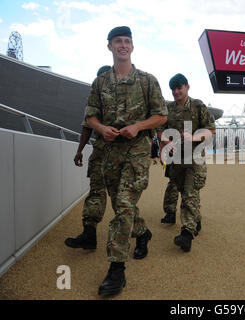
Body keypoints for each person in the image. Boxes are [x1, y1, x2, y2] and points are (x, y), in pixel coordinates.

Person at [84, 26, 167, 296]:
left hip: (137, 152)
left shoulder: (147, 80)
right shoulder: (100, 83)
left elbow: (161, 116)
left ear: (132, 47)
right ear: (109, 46)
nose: (123, 45)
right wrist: (101, 129)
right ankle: (142, 233)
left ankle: (116, 271)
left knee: (122, 206)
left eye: (127, 41)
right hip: (110, 154)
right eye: (118, 41)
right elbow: (91, 117)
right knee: (125, 207)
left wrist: (139, 126)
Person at [158, 73, 215, 252]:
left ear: (187, 87)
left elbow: (211, 130)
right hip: (176, 160)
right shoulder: (167, 109)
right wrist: (165, 144)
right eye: (173, 89)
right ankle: (195, 218)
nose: (176, 91)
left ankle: (187, 234)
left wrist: (195, 136)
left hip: (195, 158)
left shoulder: (198, 106)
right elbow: (160, 130)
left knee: (190, 193)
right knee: (184, 191)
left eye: (179, 87)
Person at [65, 65, 111, 251]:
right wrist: (79, 150)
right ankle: (89, 234)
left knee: (122, 200)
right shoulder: (95, 100)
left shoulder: (127, 96)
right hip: (100, 153)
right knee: (96, 192)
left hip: (123, 156)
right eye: (98, 79)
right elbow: (87, 126)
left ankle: (141, 233)